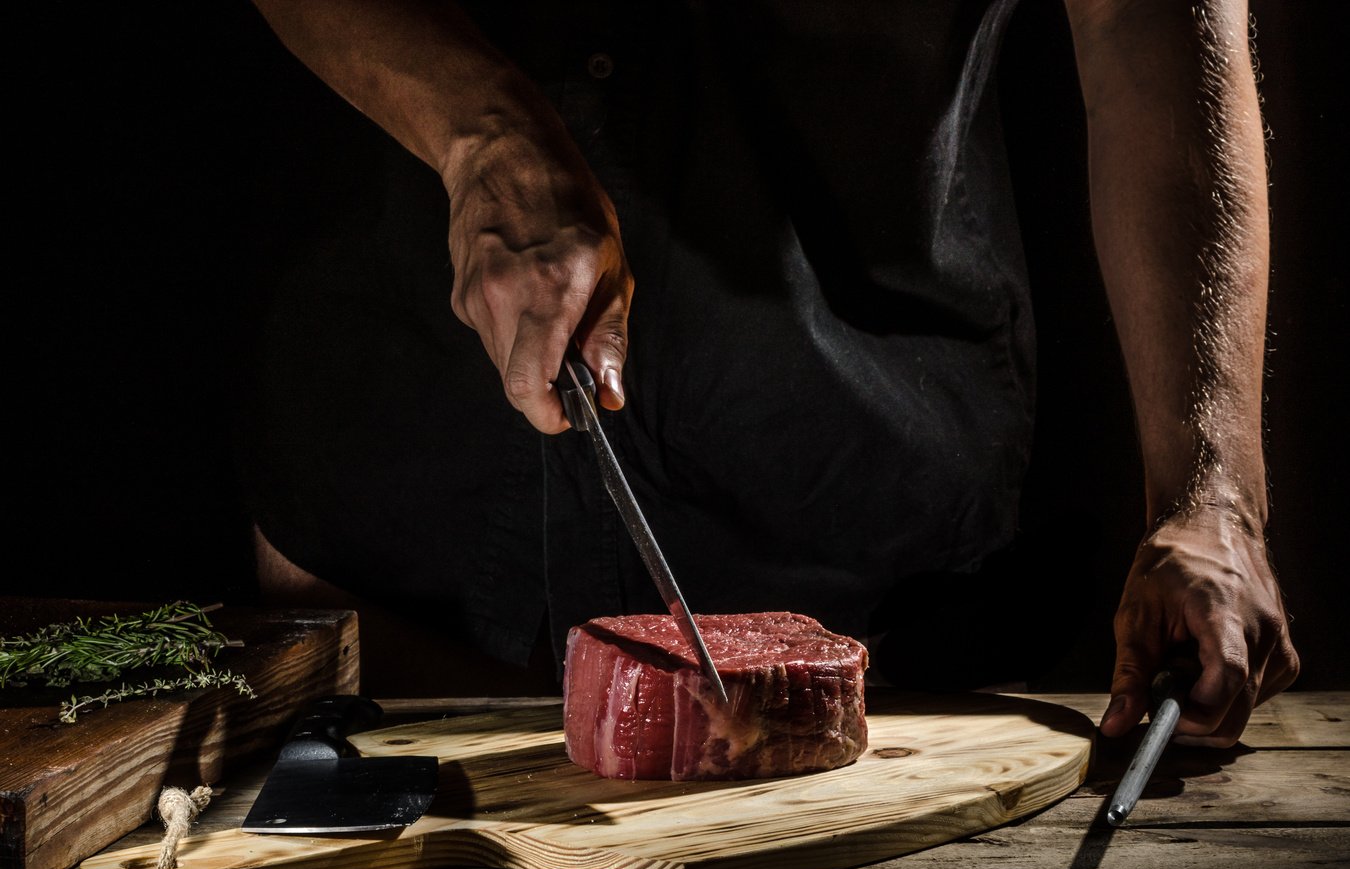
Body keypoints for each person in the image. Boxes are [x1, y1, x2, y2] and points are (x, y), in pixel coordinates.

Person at [245, 0, 1298, 747]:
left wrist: (1213, 499)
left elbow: (1143, 23)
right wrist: (481, 131)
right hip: (399, 508)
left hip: (860, 537)